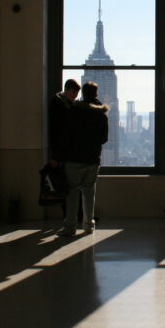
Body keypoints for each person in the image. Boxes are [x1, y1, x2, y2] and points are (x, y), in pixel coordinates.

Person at [58, 81, 108, 237]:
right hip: (93, 158)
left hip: (73, 158)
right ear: (96, 94)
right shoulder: (101, 114)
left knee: (72, 193)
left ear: (83, 94)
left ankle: (70, 227)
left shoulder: (74, 111)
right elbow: (104, 138)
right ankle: (88, 225)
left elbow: (66, 134)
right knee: (89, 192)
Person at [48, 79, 80, 225]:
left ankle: (71, 216)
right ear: (68, 90)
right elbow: (57, 132)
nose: (75, 96)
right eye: (74, 93)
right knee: (68, 186)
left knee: (68, 186)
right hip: (65, 152)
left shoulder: (60, 102)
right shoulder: (61, 105)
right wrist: (56, 155)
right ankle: (72, 216)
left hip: (64, 152)